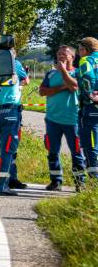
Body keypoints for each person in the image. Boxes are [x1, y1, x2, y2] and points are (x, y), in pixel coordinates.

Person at [39, 45, 85, 191]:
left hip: (72, 120)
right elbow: (42, 91)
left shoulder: (78, 72)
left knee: (76, 152)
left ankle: (80, 183)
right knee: (52, 152)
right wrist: (61, 87)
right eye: (58, 54)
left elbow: (75, 86)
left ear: (72, 57)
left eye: (64, 54)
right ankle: (56, 181)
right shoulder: (51, 74)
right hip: (52, 119)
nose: (60, 56)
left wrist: (64, 72)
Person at [0, 49, 29, 195]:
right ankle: (1, 186)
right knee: (7, 150)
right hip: (10, 110)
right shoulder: (15, 64)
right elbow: (26, 80)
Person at [75, 37, 98, 185]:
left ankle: (94, 181)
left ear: (85, 49)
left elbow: (88, 77)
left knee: (90, 143)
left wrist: (91, 95)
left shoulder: (86, 60)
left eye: (79, 48)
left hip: (90, 106)